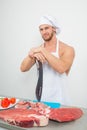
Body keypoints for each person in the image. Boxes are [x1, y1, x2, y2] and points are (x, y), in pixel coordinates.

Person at [20, 15, 75, 105]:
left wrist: (42, 50)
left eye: (46, 28)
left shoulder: (67, 49)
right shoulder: (38, 50)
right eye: (41, 29)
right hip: (42, 98)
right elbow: (23, 68)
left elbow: (61, 68)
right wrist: (31, 55)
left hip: (61, 99)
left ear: (54, 29)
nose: (44, 32)